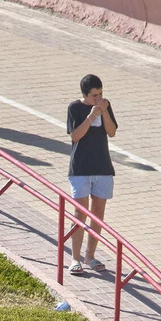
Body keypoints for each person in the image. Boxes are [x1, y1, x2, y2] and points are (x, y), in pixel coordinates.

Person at [66, 74, 118, 276]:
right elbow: (75, 136)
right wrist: (90, 117)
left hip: (102, 167)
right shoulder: (75, 108)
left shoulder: (105, 105)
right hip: (80, 168)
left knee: (97, 213)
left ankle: (90, 256)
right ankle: (75, 258)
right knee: (80, 213)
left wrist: (104, 112)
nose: (98, 98)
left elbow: (112, 132)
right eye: (94, 95)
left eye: (101, 94)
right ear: (85, 95)